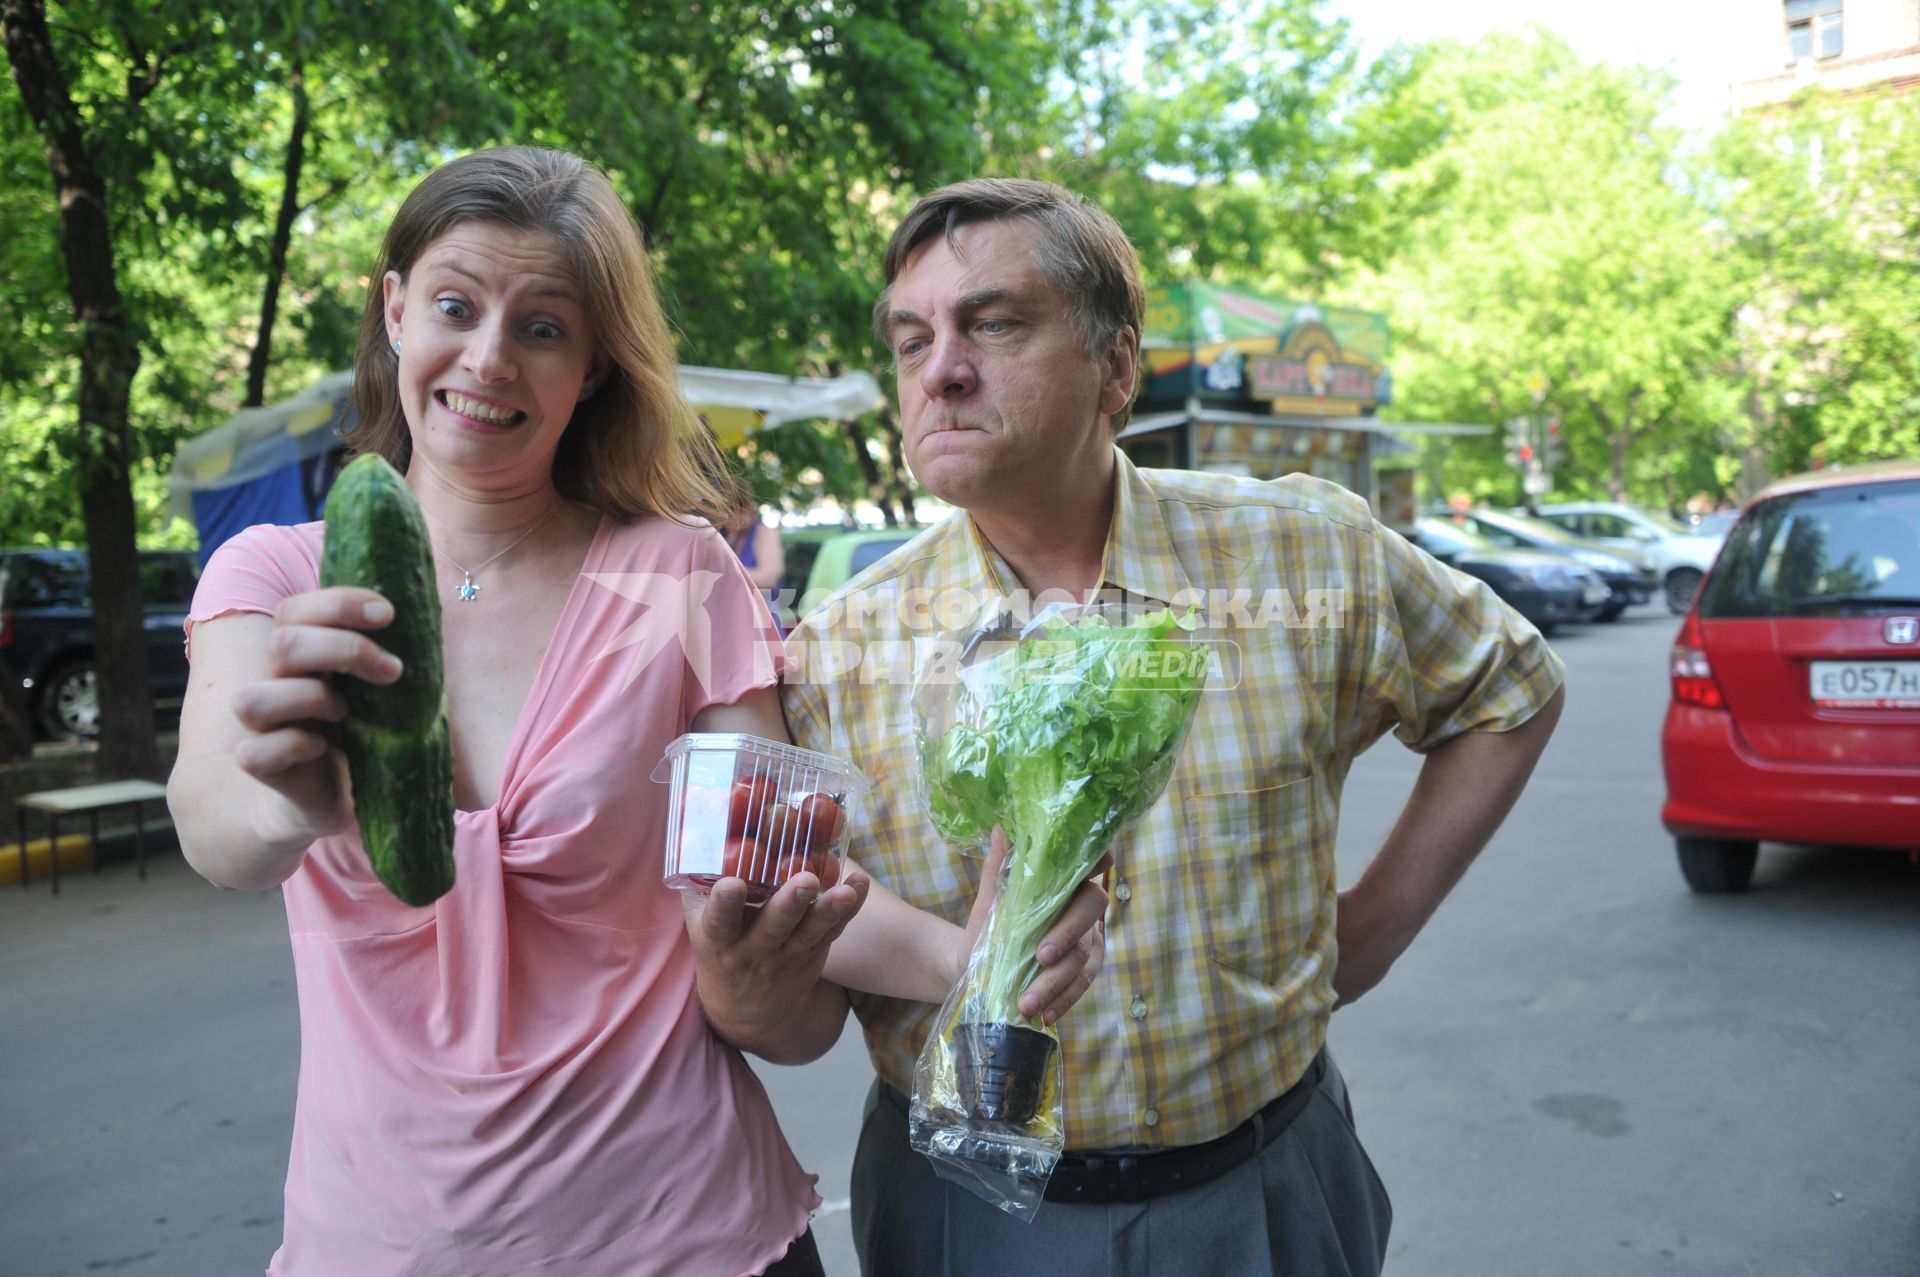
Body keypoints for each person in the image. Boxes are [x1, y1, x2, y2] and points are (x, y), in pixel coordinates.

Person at [165, 148, 1107, 1277]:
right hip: (383, 1245)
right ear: (395, 307)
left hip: (692, 1233)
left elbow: (766, 879)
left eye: (545, 327)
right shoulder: (276, 573)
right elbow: (212, 821)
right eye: (457, 306)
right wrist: (287, 799)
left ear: (594, 367)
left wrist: (976, 953)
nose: (489, 357)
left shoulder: (675, 576)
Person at [778, 178, 1567, 1275]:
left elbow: (1511, 684)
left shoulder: (1301, 553)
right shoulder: (836, 650)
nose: (941, 370)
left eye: (994, 322)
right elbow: (804, 957)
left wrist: (1373, 928)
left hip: (1267, 1185)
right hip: (968, 1208)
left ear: (1116, 367)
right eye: (913, 341)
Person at [724, 500, 788, 630]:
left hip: (763, 622)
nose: (725, 521)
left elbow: (769, 578)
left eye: (729, 514)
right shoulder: (734, 538)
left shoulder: (765, 534)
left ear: (746, 510)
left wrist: (724, 572)